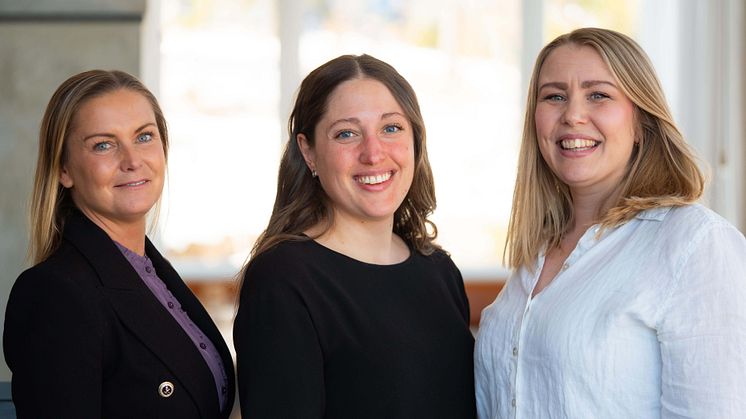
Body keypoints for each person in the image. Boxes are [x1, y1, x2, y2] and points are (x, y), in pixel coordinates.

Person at [474, 27, 746, 418]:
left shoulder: (695, 244)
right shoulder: (536, 255)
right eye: (554, 96)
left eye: (598, 95)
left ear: (641, 121)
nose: (572, 115)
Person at [233, 54, 476, 418]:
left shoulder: (439, 271)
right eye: (346, 133)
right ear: (308, 151)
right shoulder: (282, 281)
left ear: (415, 141)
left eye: (391, 128)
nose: (373, 153)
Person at [3, 70, 235, 418]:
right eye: (103, 144)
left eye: (144, 137)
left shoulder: (153, 274)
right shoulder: (55, 294)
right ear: (64, 169)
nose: (132, 160)